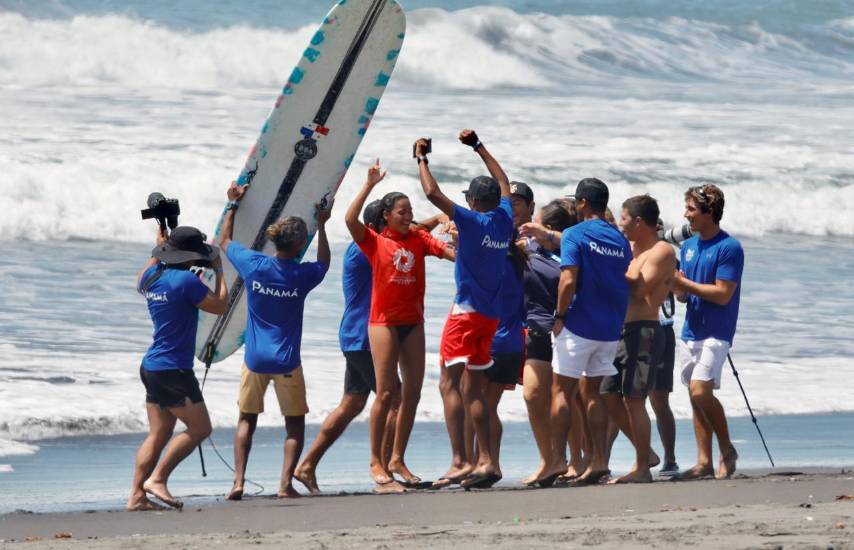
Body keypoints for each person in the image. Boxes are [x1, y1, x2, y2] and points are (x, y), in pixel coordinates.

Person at [345, 159, 454, 490]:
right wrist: (369, 185)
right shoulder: (375, 241)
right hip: (383, 324)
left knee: (413, 392)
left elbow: (448, 253)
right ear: (387, 216)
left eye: (410, 211)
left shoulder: (419, 239)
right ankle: (376, 462)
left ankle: (397, 459)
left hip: (413, 322)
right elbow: (349, 219)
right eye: (402, 212)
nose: (409, 216)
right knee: (387, 391)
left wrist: (460, 244)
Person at [220, 182, 333, 500]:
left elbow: (224, 241)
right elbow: (324, 263)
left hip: (254, 360)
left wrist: (232, 205)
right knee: (294, 425)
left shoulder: (255, 265)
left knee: (246, 419)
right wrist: (322, 225)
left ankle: (238, 482)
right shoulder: (301, 276)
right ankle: (285, 485)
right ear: (299, 246)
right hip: (286, 362)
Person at [415, 130, 513, 489]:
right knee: (475, 389)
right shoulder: (505, 219)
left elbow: (431, 194)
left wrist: (421, 158)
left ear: (472, 201)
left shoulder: (473, 222)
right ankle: (486, 461)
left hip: (466, 313)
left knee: (448, 383)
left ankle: (460, 461)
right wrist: (477, 146)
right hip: (490, 316)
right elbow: (503, 180)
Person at [294, 201, 401, 494]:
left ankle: (306, 466)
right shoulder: (366, 248)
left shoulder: (370, 245)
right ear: (379, 225)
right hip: (365, 339)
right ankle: (382, 470)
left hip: (356, 336)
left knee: (352, 403)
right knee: (395, 401)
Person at [129, 225, 227, 511]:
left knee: (158, 433)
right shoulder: (186, 281)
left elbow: (139, 278)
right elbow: (220, 306)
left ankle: (136, 495)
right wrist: (219, 270)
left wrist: (156, 252)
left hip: (152, 366)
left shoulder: (151, 276)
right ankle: (157, 479)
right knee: (201, 428)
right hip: (174, 370)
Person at [551, 178, 632, 486]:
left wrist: (559, 316)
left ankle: (557, 461)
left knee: (562, 392)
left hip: (580, 324)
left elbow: (568, 280)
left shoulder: (575, 233)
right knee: (593, 393)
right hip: (610, 328)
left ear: (582, 203)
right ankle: (598, 460)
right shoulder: (619, 238)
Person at [601, 195, 676, 483]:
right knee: (607, 393)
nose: (620, 225)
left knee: (634, 399)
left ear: (638, 221)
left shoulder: (662, 251)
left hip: (643, 331)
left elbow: (639, 289)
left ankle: (642, 467)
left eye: (623, 219)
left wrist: (607, 265)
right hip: (616, 331)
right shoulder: (628, 248)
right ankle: (647, 453)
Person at [672, 184, 743, 480]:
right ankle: (703, 461)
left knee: (701, 391)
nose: (685, 215)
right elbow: (684, 296)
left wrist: (683, 284)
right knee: (693, 394)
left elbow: (723, 294)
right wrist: (677, 287)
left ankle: (727, 448)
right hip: (691, 330)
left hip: (718, 331)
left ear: (709, 212)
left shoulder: (729, 248)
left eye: (690, 209)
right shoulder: (688, 247)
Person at [517, 200, 581, 486]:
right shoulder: (527, 249)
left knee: (569, 399)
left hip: (569, 329)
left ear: (550, 229)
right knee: (532, 394)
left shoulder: (572, 253)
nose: (529, 229)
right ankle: (551, 460)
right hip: (537, 329)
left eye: (536, 224)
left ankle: (577, 459)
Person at [650, 218, 680, 476]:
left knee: (659, 397)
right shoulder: (632, 252)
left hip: (662, 328)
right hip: (635, 328)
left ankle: (669, 458)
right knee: (625, 398)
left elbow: (682, 295)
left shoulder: (670, 257)